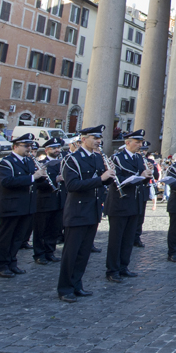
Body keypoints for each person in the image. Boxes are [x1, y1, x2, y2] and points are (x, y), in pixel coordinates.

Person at [57, 125, 114, 303]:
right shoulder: (72, 159)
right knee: (71, 252)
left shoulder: (97, 157)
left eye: (99, 138)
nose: (98, 141)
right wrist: (101, 179)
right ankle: (65, 287)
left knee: (83, 252)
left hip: (93, 209)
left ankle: (77, 284)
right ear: (83, 139)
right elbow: (72, 185)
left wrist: (110, 176)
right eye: (94, 138)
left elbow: (101, 182)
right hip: (77, 211)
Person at [0, 133, 44, 278]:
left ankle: (12, 262)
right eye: (26, 146)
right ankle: (1, 265)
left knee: (18, 238)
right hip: (11, 205)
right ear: (15, 146)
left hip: (26, 205)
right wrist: (33, 177)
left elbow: (32, 182)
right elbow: (7, 182)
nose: (29, 148)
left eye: (30, 146)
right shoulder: (5, 162)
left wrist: (41, 178)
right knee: (6, 237)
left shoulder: (28, 161)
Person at [106, 129, 151, 281]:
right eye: (137, 142)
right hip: (120, 202)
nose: (140, 145)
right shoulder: (117, 158)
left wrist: (145, 176)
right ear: (127, 142)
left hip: (134, 202)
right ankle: (112, 270)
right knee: (116, 239)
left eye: (141, 142)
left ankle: (124, 266)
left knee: (128, 238)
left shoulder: (139, 158)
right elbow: (115, 178)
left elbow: (140, 180)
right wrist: (138, 176)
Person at [33, 138, 64, 265]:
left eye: (58, 148)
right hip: (44, 200)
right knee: (41, 229)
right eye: (53, 148)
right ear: (46, 150)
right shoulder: (41, 163)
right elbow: (37, 184)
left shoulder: (63, 162)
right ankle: (39, 254)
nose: (57, 150)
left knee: (54, 228)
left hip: (59, 200)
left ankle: (50, 252)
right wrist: (55, 179)